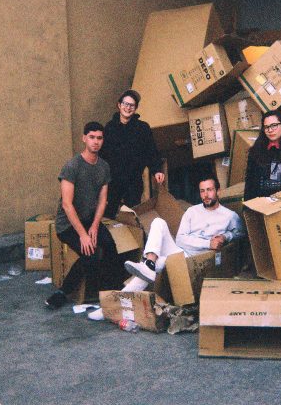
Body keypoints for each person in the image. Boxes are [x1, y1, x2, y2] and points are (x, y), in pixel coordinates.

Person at [87, 175, 245, 321]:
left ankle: (109, 308)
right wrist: (208, 243)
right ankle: (149, 263)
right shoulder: (192, 211)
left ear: (218, 191)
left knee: (150, 270)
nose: (205, 195)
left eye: (209, 190)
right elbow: (181, 240)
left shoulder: (229, 216)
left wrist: (226, 236)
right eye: (202, 191)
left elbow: (241, 233)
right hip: (181, 252)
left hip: (197, 260)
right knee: (158, 222)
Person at [46, 121, 120, 310]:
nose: (96, 142)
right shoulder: (72, 166)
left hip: (89, 221)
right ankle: (62, 293)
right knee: (91, 255)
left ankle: (110, 291)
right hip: (68, 225)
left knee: (110, 246)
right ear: (84, 139)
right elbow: (67, 204)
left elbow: (102, 200)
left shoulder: (103, 167)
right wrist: (83, 235)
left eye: (99, 138)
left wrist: (94, 226)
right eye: (92, 137)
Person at [100, 89, 164, 219]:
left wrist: (157, 170)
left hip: (133, 181)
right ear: (119, 105)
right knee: (109, 215)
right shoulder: (109, 128)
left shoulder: (142, 128)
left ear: (135, 108)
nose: (128, 108)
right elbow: (103, 155)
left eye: (132, 105)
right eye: (125, 104)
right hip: (113, 181)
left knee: (132, 215)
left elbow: (151, 151)